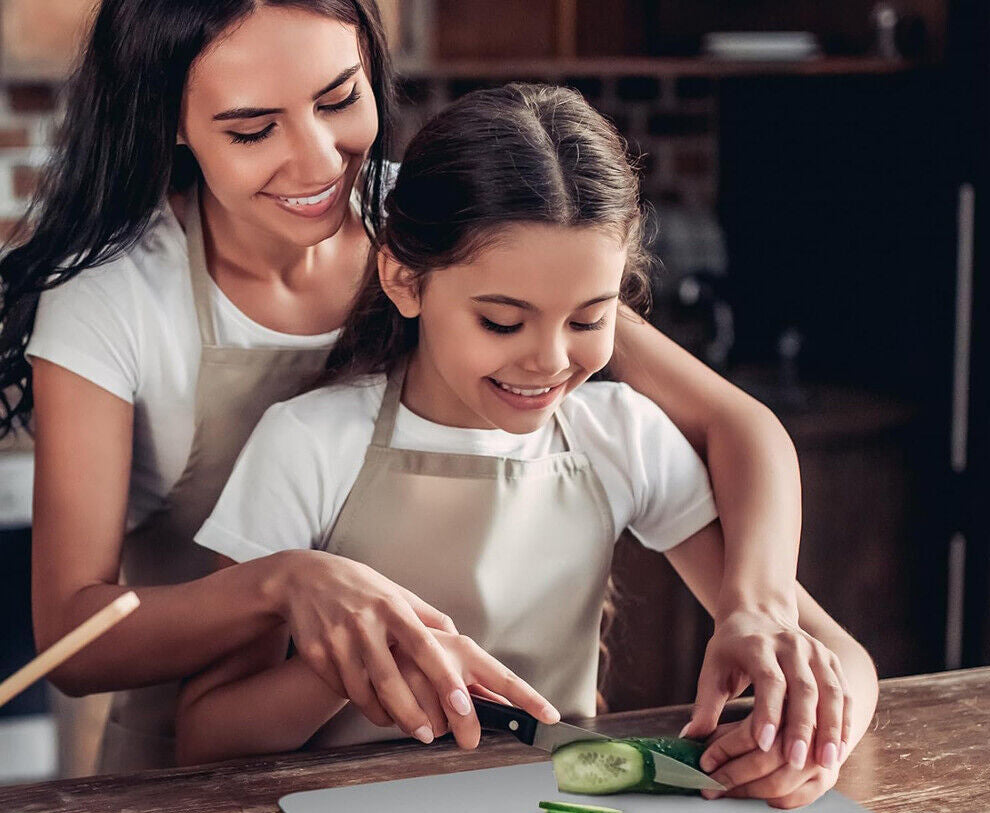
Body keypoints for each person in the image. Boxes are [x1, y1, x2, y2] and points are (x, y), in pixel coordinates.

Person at [0, 0, 851, 777]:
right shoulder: (116, 300)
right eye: (253, 129)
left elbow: (734, 422)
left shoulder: (443, 228)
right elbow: (74, 640)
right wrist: (286, 584)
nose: (318, 159)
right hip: (193, 764)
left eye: (339, 100)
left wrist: (762, 606)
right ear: (171, 125)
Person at [180, 84, 878, 809]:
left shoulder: (621, 434)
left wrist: (814, 738)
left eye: (587, 321)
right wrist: (347, 664)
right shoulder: (310, 444)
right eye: (503, 322)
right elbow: (205, 736)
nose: (549, 361)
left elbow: (844, 658)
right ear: (404, 278)